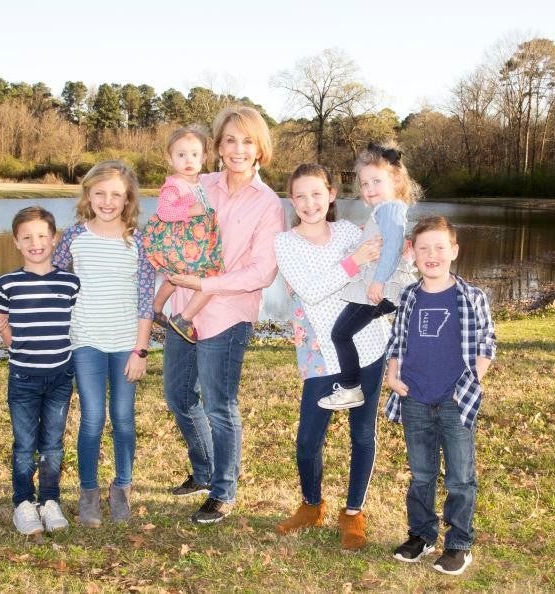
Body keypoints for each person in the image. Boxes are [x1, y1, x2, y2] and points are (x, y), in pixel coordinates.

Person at [163, 105, 285, 524]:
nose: (238, 149)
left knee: (219, 404)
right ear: (217, 147)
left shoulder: (268, 204)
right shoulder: (199, 184)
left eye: (247, 141)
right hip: (183, 309)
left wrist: (207, 285)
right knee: (179, 396)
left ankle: (223, 491)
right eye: (230, 140)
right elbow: (170, 228)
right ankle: (203, 471)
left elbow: (262, 272)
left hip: (228, 314)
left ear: (260, 148)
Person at [273, 164, 389, 550]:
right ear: (292, 201)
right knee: (308, 440)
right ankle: (311, 505)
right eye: (301, 196)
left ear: (331, 195)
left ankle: (353, 513)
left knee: (362, 434)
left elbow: (382, 266)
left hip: (367, 347)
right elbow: (311, 290)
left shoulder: (349, 233)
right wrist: (354, 261)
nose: (310, 203)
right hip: (320, 353)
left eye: (316, 194)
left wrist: (396, 247)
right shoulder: (285, 243)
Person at [384, 216, 496, 576]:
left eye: (439, 247)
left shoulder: (471, 296)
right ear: (413, 253)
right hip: (415, 397)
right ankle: (421, 535)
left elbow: (487, 342)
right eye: (423, 248)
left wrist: (472, 378)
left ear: (454, 251)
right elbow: (397, 341)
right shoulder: (409, 296)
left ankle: (459, 544)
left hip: (455, 400)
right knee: (421, 473)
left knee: (460, 476)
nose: (431, 255)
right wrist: (392, 374)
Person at [51, 160, 155, 528]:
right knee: (93, 417)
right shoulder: (73, 237)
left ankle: (122, 488)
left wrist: (141, 350)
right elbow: (54, 281)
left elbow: (146, 300)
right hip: (86, 342)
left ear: (128, 199)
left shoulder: (139, 241)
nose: (107, 201)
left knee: (123, 417)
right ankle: (89, 492)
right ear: (88, 195)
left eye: (116, 194)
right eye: (100, 193)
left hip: (126, 342)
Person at [0, 206, 80, 535]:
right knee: (25, 445)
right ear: (16, 242)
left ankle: (50, 500)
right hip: (23, 377)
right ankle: (24, 503)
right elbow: (10, 339)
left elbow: (77, 328)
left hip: (60, 376)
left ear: (54, 239)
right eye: (26, 237)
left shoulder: (70, 283)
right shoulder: (7, 284)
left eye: (42, 236)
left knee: (53, 444)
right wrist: (2, 330)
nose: (35, 243)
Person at [319, 142, 420, 411]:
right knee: (344, 333)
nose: (369, 188)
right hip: (381, 289)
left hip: (379, 290)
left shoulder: (390, 208)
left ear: (395, 180)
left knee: (340, 334)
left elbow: (393, 247)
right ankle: (362, 383)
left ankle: (350, 388)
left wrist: (378, 281)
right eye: (364, 183)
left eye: (377, 181)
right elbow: (391, 242)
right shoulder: (387, 209)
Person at [143, 126, 224, 343]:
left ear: (204, 157)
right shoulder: (174, 185)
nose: (188, 160)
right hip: (182, 241)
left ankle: (156, 307)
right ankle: (184, 319)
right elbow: (164, 211)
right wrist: (189, 211)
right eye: (181, 155)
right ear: (170, 159)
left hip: (193, 241)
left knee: (174, 277)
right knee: (212, 277)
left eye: (194, 155)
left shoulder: (200, 182)